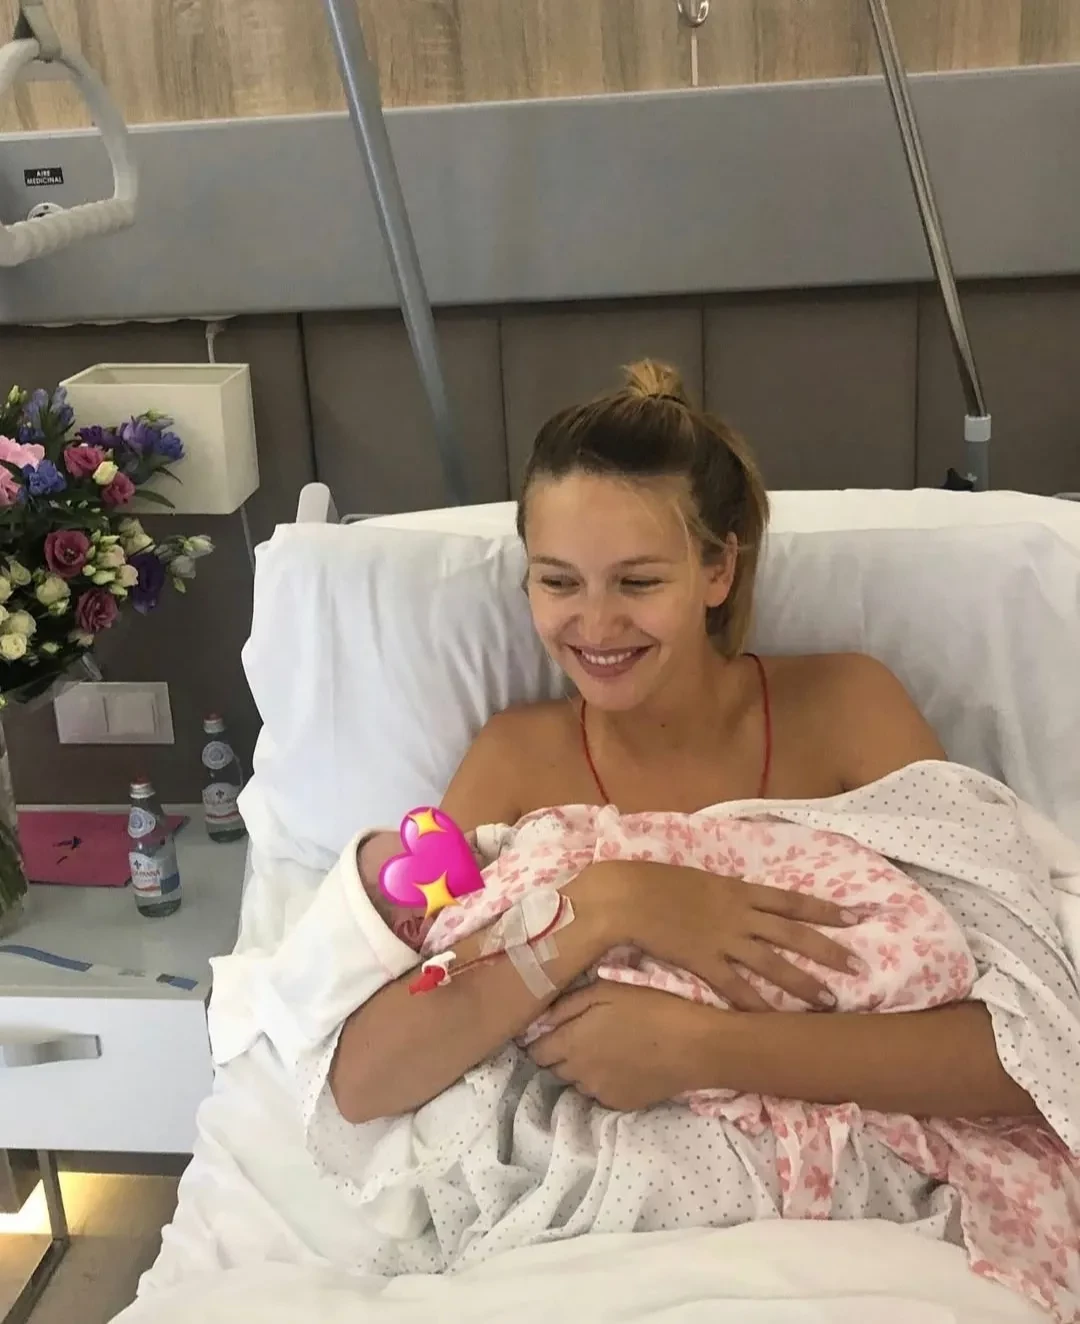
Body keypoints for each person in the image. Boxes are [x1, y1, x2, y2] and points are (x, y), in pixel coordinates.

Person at [329, 359, 1037, 1128]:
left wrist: (704, 1047)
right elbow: (366, 1082)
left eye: (637, 582)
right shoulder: (512, 760)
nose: (596, 626)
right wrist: (610, 903)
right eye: (558, 582)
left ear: (718, 570)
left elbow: (1031, 1054)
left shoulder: (849, 710)